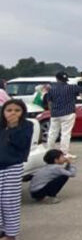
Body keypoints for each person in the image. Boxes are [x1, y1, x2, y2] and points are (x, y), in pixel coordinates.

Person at [0, 99, 34, 240]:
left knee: (9, 201)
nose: (12, 113)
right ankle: (1, 229)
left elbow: (21, 144)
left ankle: (11, 234)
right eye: (9, 110)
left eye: (17, 110)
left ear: (22, 112)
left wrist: (13, 126)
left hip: (12, 167)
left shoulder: (26, 126)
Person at [47, 71, 82, 159]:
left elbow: (49, 101)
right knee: (65, 133)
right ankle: (64, 153)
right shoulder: (71, 87)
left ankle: (49, 151)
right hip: (68, 113)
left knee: (52, 133)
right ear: (66, 79)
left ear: (57, 79)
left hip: (55, 113)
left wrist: (51, 111)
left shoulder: (52, 89)